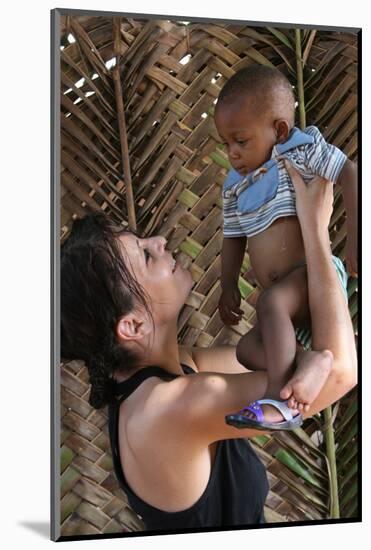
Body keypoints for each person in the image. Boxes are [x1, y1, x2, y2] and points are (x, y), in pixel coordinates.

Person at [60, 164, 356, 531]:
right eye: (146, 255)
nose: (159, 241)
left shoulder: (171, 371)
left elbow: (273, 361)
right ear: (132, 325)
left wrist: (310, 357)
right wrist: (315, 231)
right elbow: (341, 373)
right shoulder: (169, 408)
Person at [214, 65, 357, 430]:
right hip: (288, 310)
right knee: (246, 349)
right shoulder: (234, 185)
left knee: (270, 302)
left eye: (241, 141)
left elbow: (351, 173)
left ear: (278, 130)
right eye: (226, 144)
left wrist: (357, 238)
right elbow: (233, 237)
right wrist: (227, 284)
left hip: (312, 279)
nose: (232, 153)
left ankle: (279, 397)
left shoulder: (301, 149)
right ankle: (310, 361)